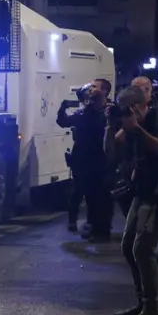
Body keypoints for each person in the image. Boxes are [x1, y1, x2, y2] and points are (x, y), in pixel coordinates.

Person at [112, 84, 158, 315]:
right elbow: (111, 152)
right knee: (128, 245)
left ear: (137, 107)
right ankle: (143, 303)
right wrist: (114, 127)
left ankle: (153, 310)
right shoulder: (130, 124)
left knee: (143, 247)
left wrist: (137, 129)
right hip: (143, 190)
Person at [57, 80, 112, 240]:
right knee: (92, 194)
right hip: (93, 159)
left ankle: (97, 228)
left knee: (91, 195)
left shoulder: (86, 114)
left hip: (88, 158)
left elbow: (63, 121)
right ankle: (95, 227)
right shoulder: (101, 115)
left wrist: (63, 108)